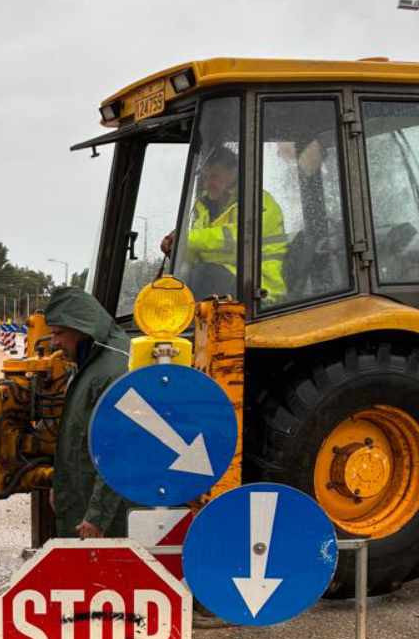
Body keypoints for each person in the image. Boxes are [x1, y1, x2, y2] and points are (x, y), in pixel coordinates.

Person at [44, 286, 131, 539]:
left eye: (59, 333)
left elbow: (118, 450)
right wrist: (59, 487)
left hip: (105, 521)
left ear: (81, 327)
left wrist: (97, 517)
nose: (54, 343)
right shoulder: (90, 365)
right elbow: (75, 436)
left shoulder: (112, 371)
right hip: (82, 502)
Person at [159, 146, 287, 300]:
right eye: (205, 178)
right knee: (173, 286)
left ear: (234, 174)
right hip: (223, 283)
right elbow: (198, 254)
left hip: (259, 288)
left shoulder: (258, 202)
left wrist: (186, 238)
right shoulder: (204, 209)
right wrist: (178, 250)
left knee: (203, 275)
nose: (207, 184)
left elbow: (236, 238)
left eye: (214, 176)